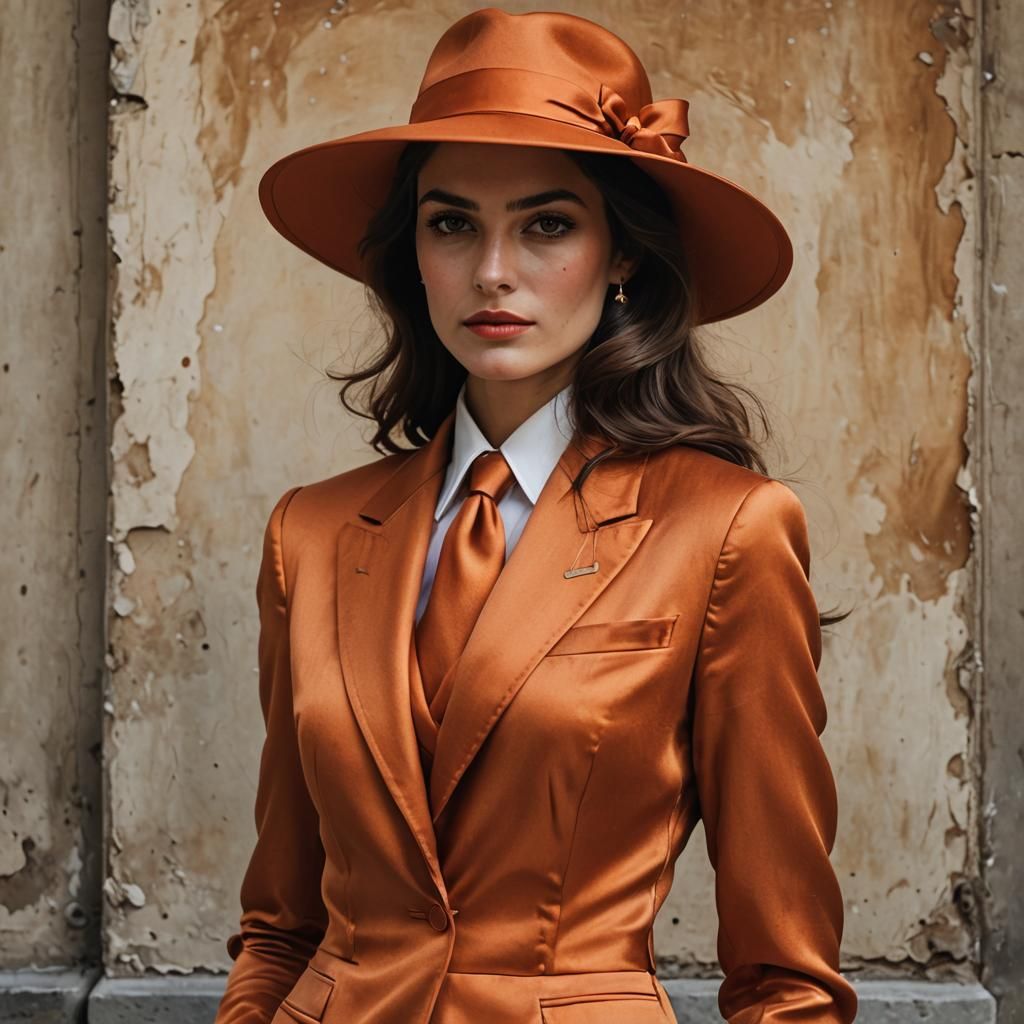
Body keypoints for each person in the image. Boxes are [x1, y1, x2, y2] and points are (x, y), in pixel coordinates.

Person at [215, 8, 858, 1024]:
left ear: (623, 260)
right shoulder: (311, 533)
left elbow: (787, 980)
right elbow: (281, 925)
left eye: (547, 224)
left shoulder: (726, 529)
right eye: (451, 221)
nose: (493, 270)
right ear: (412, 254)